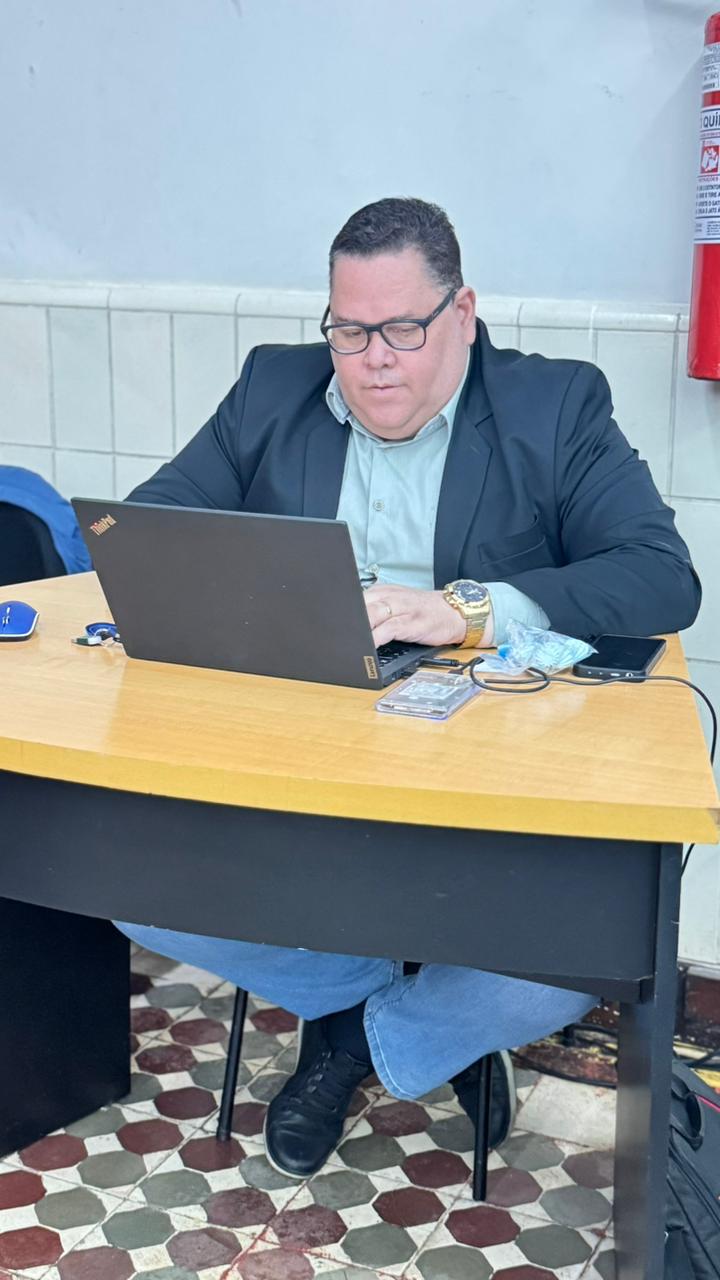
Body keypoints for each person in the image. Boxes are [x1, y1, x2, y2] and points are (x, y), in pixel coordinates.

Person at [116, 197, 700, 1179]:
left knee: (584, 954)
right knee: (124, 879)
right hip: (305, 770)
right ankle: (409, 1016)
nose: (373, 360)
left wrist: (463, 609)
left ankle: (361, 1036)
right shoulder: (272, 388)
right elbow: (153, 528)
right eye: (350, 331)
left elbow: (660, 576)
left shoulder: (555, 404)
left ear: (462, 313)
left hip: (484, 782)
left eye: (402, 330)